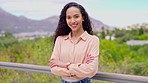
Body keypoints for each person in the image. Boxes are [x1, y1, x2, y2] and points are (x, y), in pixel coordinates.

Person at [50, 2, 99, 83]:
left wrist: (65, 65)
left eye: (76, 16)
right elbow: (53, 67)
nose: (72, 21)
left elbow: (91, 70)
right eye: (68, 17)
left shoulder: (92, 40)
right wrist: (80, 68)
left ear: (83, 17)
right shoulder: (60, 40)